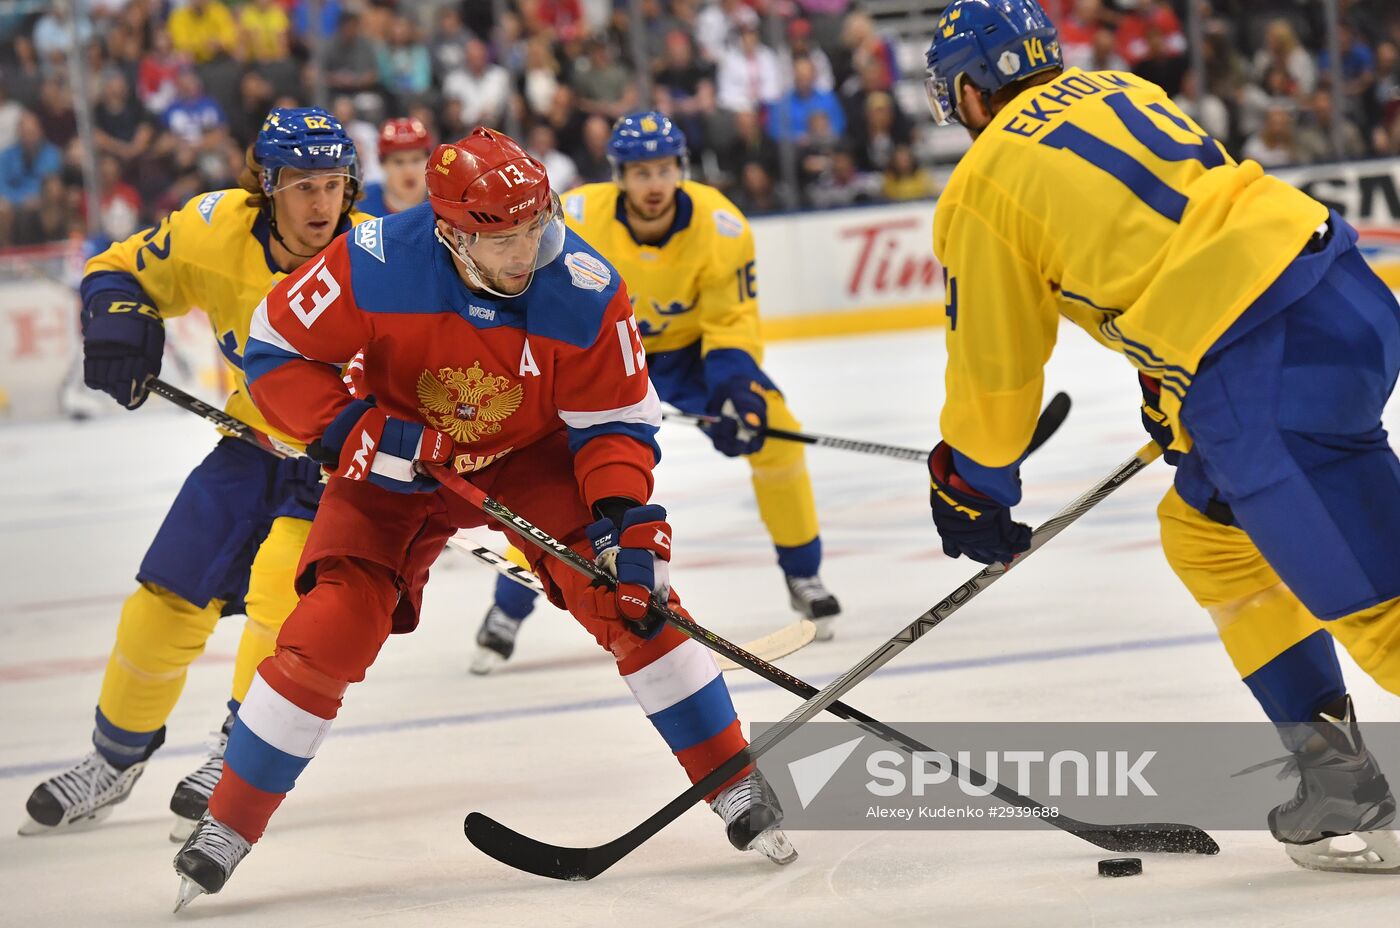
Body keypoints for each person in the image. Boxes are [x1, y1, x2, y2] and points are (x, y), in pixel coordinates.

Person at [173, 127, 795, 907]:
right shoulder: (374, 258)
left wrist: (621, 515)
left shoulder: (584, 282)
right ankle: (229, 823)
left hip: (530, 456)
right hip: (402, 456)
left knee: (634, 605)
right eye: (502, 239)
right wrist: (344, 429)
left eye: (536, 227)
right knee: (330, 621)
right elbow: (276, 347)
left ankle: (734, 784)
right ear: (450, 232)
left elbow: (616, 423)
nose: (525, 252)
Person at [921, 0, 1398, 873]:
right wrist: (1172, 384)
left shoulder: (983, 181)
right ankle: (1339, 781)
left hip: (1264, 367)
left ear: (965, 88)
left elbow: (997, 370)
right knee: (1211, 540)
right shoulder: (1115, 84)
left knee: (1380, 603)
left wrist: (975, 484)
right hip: (1340, 299)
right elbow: (1183, 226)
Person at [18, 108, 371, 842]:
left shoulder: (381, 261)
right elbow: (116, 269)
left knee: (283, 604)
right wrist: (120, 319)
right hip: (249, 445)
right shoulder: (214, 229)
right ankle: (112, 762)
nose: (319, 204)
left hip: (339, 468)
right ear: (267, 187)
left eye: (333, 185)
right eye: (302, 185)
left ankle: (238, 760)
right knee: (161, 602)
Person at [470, 112, 842, 676]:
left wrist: (735, 390)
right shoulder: (577, 215)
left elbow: (731, 321)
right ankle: (508, 609)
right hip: (594, 352)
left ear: (681, 170)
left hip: (687, 356)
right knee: (554, 479)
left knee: (776, 437)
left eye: (663, 169)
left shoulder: (722, 226)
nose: (652, 184)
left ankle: (804, 571)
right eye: (640, 171)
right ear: (619, 174)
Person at [357, 116, 432, 216]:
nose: (408, 170)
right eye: (398, 162)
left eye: (416, 160)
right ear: (382, 164)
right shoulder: (360, 202)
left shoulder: (445, 202)